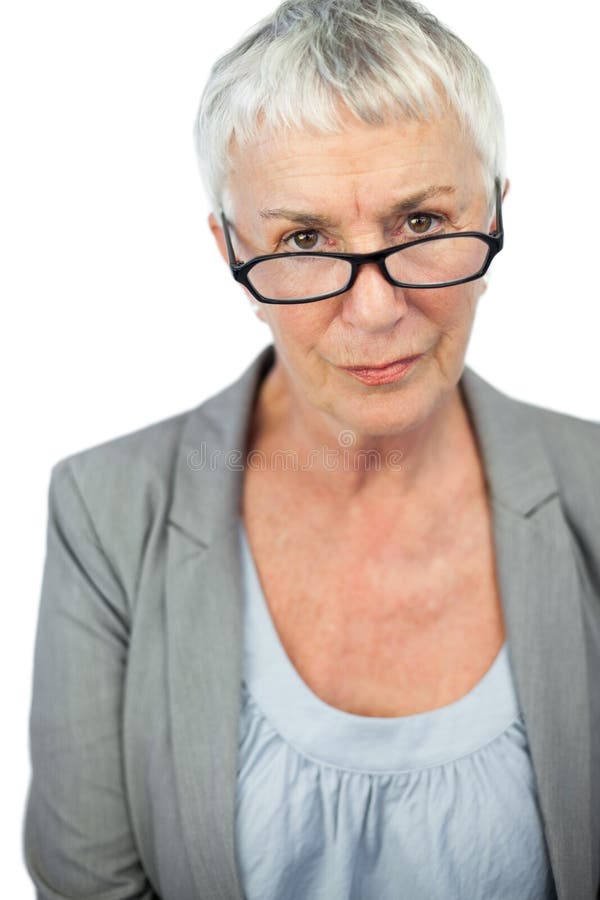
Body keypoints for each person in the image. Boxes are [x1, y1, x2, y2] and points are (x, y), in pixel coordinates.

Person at [23, 1, 600, 898]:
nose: (374, 310)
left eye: (421, 224)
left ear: (494, 217)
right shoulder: (108, 513)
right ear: (229, 252)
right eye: (303, 239)